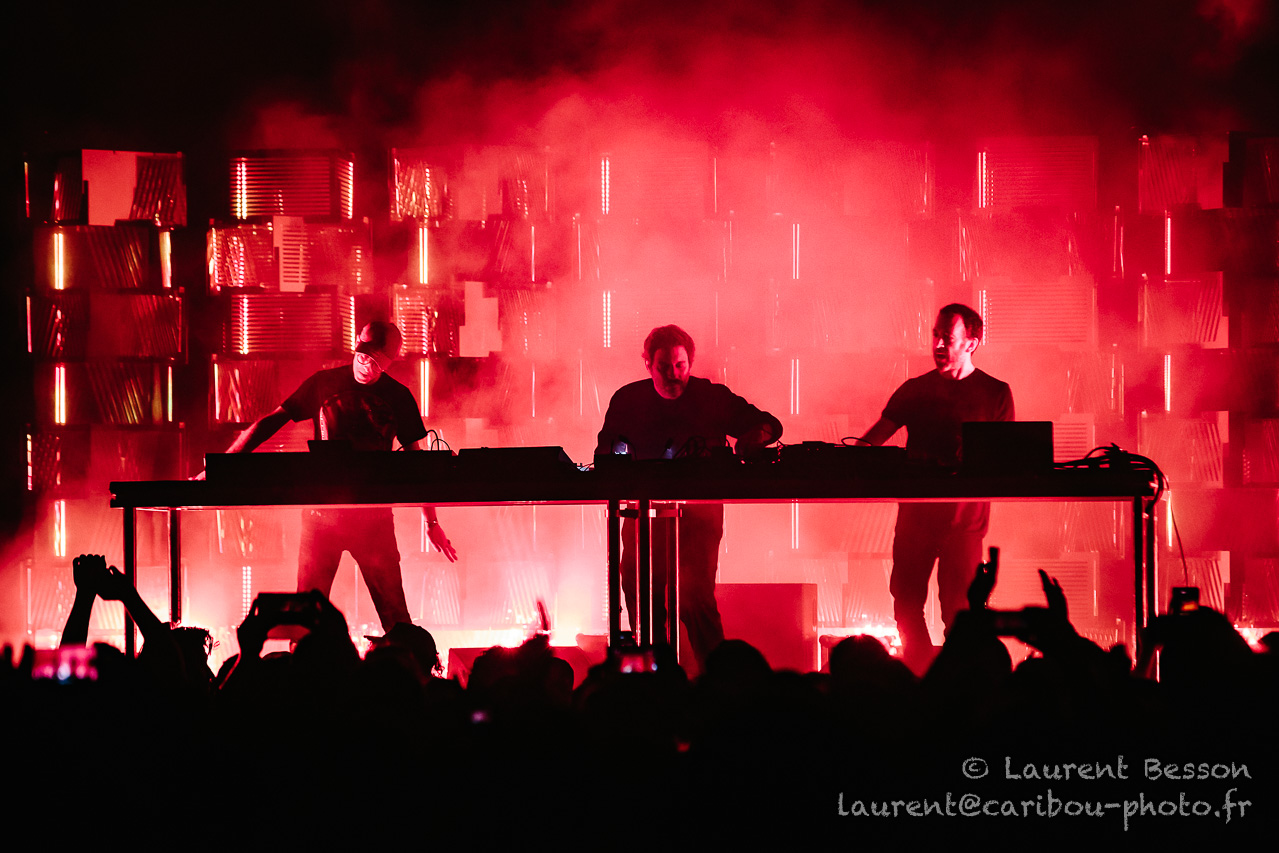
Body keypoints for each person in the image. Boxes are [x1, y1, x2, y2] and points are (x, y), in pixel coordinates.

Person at [204, 320, 457, 632]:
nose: (366, 367)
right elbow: (269, 423)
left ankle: (404, 660)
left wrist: (431, 522)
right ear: (356, 347)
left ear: (390, 362)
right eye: (363, 357)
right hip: (322, 519)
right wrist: (221, 467)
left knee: (396, 616)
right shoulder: (324, 383)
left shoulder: (398, 396)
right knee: (305, 620)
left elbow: (416, 464)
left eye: (376, 363)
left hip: (373, 521)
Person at [596, 324, 783, 664]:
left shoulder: (711, 397)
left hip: (699, 518)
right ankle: (657, 674)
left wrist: (755, 437)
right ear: (648, 364)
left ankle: (717, 678)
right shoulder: (628, 400)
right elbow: (605, 454)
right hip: (643, 515)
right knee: (641, 595)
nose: (673, 374)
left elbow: (769, 423)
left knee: (695, 599)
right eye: (664, 367)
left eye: (680, 366)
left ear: (690, 363)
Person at [860, 304, 1013, 673]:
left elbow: (1006, 459)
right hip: (917, 519)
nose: (938, 344)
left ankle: (952, 679)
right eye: (936, 336)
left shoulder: (995, 392)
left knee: (958, 610)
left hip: (965, 522)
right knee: (906, 602)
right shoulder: (916, 390)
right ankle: (922, 671)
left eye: (947, 337)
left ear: (972, 343)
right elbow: (870, 442)